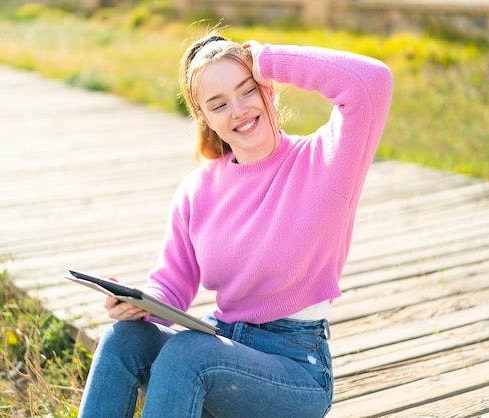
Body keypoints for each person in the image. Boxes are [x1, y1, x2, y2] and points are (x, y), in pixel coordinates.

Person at [78, 31, 393, 418]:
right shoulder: (199, 189)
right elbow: (172, 289)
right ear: (205, 117)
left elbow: (371, 82)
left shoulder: (325, 164)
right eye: (219, 104)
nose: (239, 110)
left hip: (295, 368)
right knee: (121, 340)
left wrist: (268, 59)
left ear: (268, 89)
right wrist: (137, 302)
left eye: (247, 90)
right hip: (219, 345)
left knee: (187, 352)